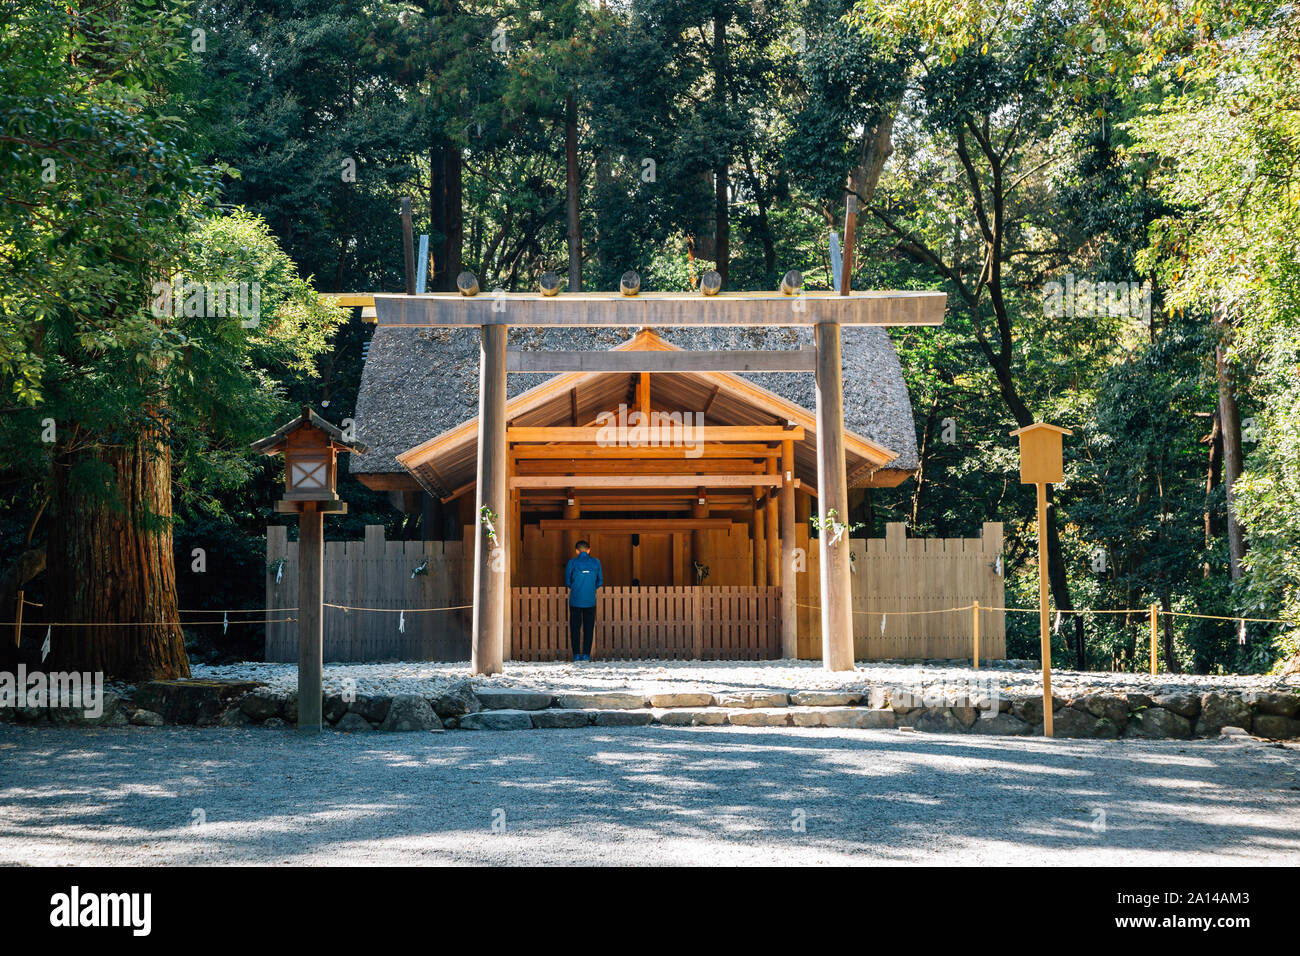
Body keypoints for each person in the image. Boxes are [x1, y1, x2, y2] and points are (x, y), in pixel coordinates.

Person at [564, 540, 603, 661]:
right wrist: (591, 588)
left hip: (575, 600)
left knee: (575, 628)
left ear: (576, 551)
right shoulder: (596, 562)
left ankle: (576, 654)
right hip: (590, 600)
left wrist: (576, 587)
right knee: (588, 628)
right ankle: (586, 654)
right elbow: (600, 581)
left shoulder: (572, 562)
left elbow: (567, 581)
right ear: (589, 550)